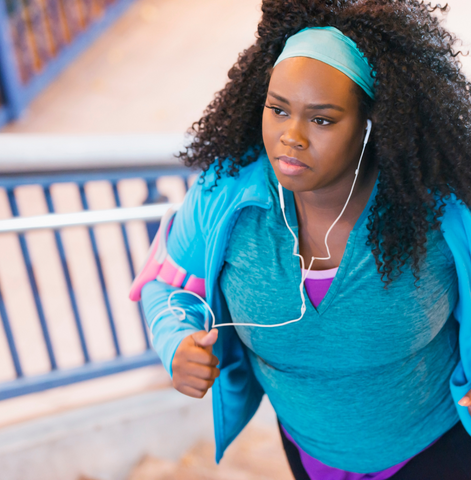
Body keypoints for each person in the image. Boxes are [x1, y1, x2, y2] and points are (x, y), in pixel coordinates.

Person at [130, 1, 471, 478]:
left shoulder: (437, 208)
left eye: (323, 119)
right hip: (310, 455)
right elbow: (164, 285)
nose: (291, 136)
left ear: (372, 125)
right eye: (278, 109)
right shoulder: (226, 194)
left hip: (434, 450)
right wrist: (176, 342)